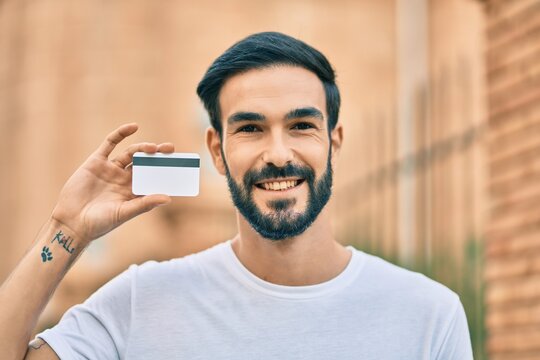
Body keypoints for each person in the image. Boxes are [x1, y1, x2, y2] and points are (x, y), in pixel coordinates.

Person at [0, 32, 473, 359]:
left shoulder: (428, 314)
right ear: (217, 151)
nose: (278, 152)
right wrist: (66, 231)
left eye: (302, 125)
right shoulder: (143, 300)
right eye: (250, 129)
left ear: (334, 141)